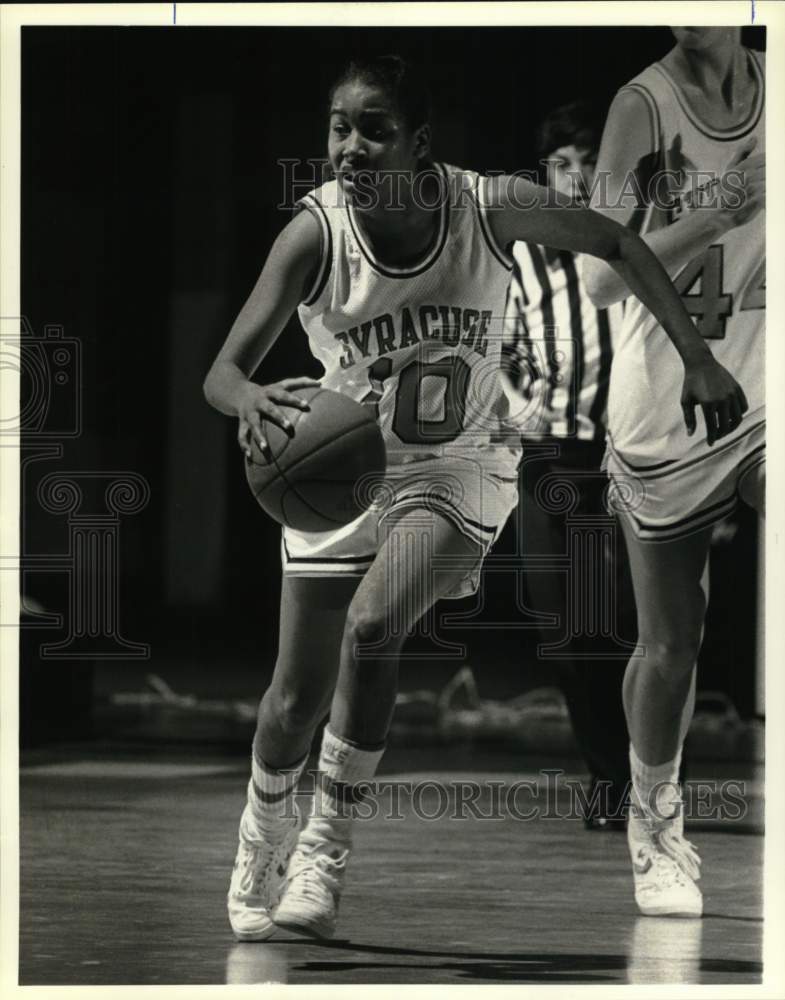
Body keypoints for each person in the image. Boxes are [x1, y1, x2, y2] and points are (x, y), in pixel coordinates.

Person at [203, 53, 747, 942]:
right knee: (290, 701)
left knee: (373, 629)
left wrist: (694, 355)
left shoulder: (485, 206)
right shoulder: (314, 235)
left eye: (375, 128)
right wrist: (251, 399)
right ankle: (262, 832)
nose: (351, 146)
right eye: (339, 126)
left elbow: (616, 241)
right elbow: (221, 374)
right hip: (341, 467)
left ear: (419, 142)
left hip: (460, 466)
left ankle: (323, 856)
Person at [582, 27, 764, 916]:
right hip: (667, 393)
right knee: (669, 643)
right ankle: (653, 824)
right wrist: (723, 207)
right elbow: (599, 276)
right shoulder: (639, 106)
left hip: (762, 380)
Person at [502, 100, 634, 830]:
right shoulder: (522, 252)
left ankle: (628, 775)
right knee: (560, 626)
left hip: (616, 453)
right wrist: (518, 399)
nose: (576, 175)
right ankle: (607, 773)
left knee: (610, 625)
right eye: (561, 163)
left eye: (587, 159)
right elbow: (505, 346)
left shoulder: (623, 245)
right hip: (546, 452)